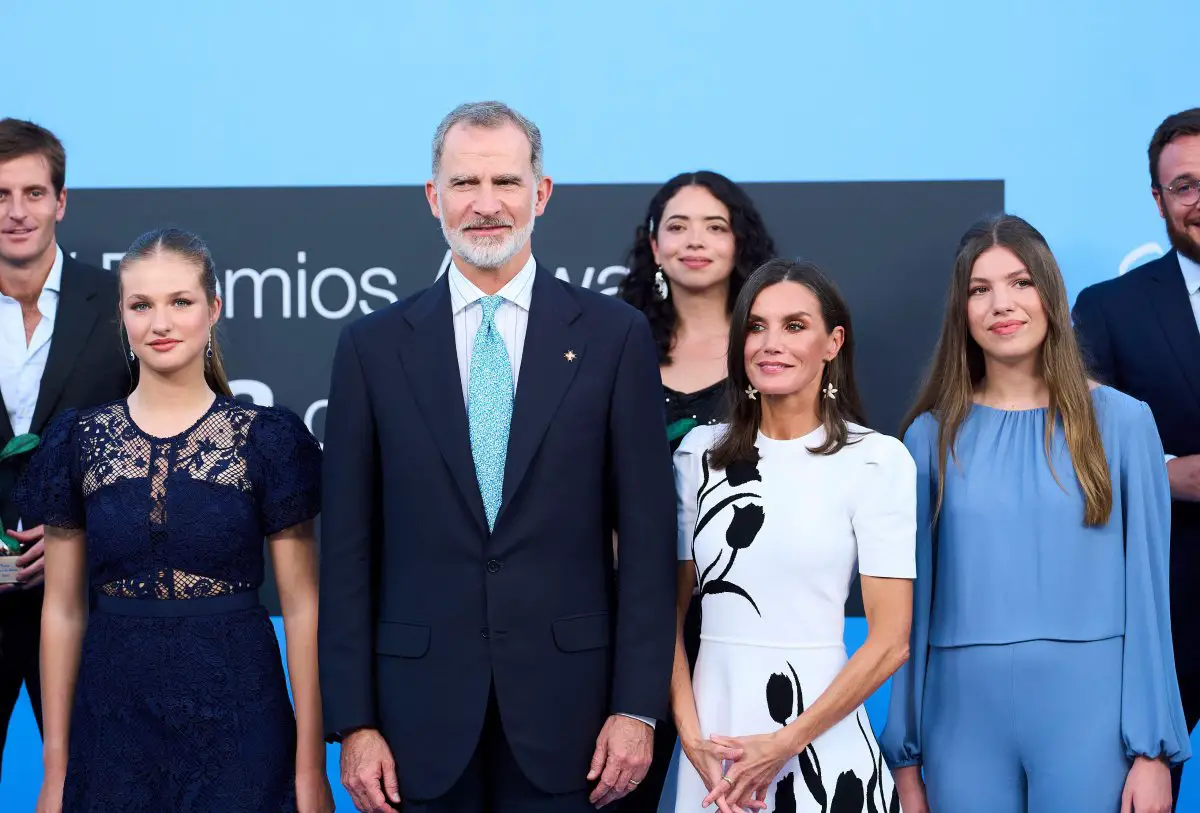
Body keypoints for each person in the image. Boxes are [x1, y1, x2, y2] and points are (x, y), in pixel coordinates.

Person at [318, 101, 677, 813]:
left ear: (541, 194)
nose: (486, 206)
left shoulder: (614, 337)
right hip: (414, 727)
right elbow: (349, 551)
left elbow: (646, 540)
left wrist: (637, 708)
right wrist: (354, 722)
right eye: (464, 184)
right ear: (433, 198)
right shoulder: (372, 346)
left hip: (574, 724)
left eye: (506, 183)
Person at [14, 228, 333, 812]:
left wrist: (310, 768)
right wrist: (55, 771)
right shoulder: (76, 441)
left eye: (180, 302)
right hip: (112, 729)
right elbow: (61, 611)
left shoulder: (268, 438)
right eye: (142, 305)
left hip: (241, 723)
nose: (161, 322)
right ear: (123, 317)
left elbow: (304, 607)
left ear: (213, 309)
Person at [882, 215, 1189, 813]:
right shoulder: (927, 439)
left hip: (1091, 719)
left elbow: (1150, 597)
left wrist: (1152, 752)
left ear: (1050, 293)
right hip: (959, 722)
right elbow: (910, 615)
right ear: (961, 310)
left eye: (1020, 282)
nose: (1002, 304)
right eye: (980, 289)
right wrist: (908, 759)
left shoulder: (1125, 425)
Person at [672, 259, 915, 813]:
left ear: (833, 342)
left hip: (820, 736)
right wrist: (691, 737)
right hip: (714, 746)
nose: (770, 343)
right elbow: (663, 615)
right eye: (755, 327)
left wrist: (784, 743)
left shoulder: (876, 461)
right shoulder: (699, 457)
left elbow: (890, 641)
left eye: (794, 326)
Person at [616, 170, 777, 812]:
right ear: (654, 246)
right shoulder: (613, 345)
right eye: (677, 227)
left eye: (715, 226)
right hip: (628, 611)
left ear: (741, 241)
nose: (695, 241)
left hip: (744, 612)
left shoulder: (775, 348)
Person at [1072, 107, 1200, 805]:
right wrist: (1164, 473)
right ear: (1158, 201)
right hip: (1162, 604)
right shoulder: (1108, 308)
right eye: (1184, 186)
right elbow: (1071, 448)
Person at [0, 117, 132, 778]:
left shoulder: (121, 306)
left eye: (31, 192)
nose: (16, 212)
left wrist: (89, 530)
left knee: (93, 783)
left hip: (88, 601)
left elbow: (160, 443)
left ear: (61, 201)